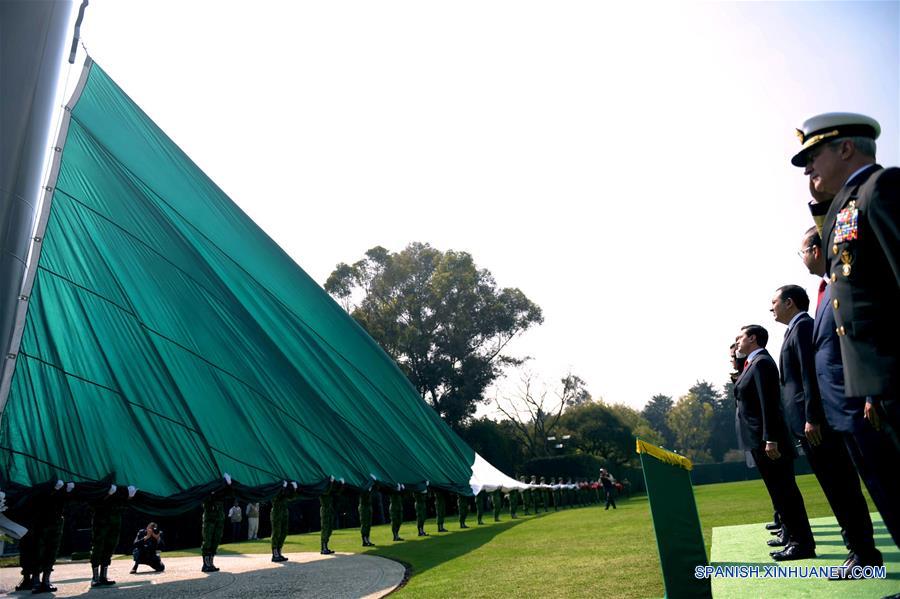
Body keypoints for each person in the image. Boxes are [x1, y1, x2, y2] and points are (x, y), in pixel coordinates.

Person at [793, 113, 900, 547]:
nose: (806, 169)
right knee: (890, 493)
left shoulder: (883, 189)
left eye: (812, 156)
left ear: (845, 148)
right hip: (873, 388)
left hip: (893, 380)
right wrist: (821, 203)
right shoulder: (846, 207)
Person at [801, 225, 900, 562]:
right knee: (878, 488)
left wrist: (872, 395)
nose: (802, 258)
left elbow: (864, 336)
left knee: (890, 487)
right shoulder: (826, 291)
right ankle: (867, 557)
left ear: (816, 250)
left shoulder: (844, 283)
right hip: (843, 409)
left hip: (863, 404)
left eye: (802, 251)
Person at [771, 284, 879, 568]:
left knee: (841, 488)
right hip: (808, 425)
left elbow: (810, 376)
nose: (772, 308)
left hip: (817, 425)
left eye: (775, 302)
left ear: (790, 303)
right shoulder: (794, 329)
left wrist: (812, 417)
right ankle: (857, 551)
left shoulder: (804, 327)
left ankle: (862, 553)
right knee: (836, 490)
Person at [734, 324, 815, 560]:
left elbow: (768, 405)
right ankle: (793, 539)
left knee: (786, 493)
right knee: (780, 494)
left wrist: (770, 438)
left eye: (741, 338)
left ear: (753, 338)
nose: (737, 342)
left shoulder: (761, 364)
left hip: (769, 442)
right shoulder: (753, 363)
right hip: (761, 441)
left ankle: (802, 544)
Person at [90, 485, 128, 587]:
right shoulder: (101, 487)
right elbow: (93, 503)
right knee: (98, 548)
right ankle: (95, 577)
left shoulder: (120, 489)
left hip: (115, 521)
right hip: (101, 521)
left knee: (110, 547)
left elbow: (124, 505)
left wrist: (128, 496)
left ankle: (104, 576)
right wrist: (107, 495)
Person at [270, 483, 294, 562]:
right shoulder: (274, 487)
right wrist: (283, 488)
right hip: (277, 511)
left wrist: (293, 489)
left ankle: (279, 552)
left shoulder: (284, 487)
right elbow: (276, 498)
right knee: (276, 532)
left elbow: (290, 497)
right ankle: (275, 554)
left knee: (284, 532)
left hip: (284, 511)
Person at [201, 494, 225, 572]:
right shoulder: (208, 488)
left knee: (216, 539)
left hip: (219, 516)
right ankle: (206, 565)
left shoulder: (221, 489)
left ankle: (211, 563)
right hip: (210, 517)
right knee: (208, 540)